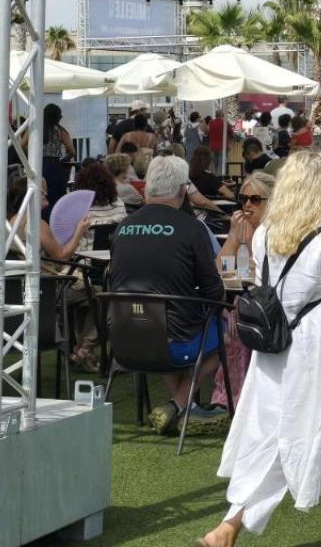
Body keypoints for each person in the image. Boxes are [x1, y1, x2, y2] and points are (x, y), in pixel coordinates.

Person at [200, 152, 321, 547]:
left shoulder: (264, 235)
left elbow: (264, 285)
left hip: (273, 351)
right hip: (317, 357)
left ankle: (230, 525)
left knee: (270, 440)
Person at [107, 154, 230, 434]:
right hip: (173, 342)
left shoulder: (123, 227)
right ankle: (178, 404)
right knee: (224, 334)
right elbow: (213, 289)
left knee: (161, 320)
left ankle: (181, 406)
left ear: (148, 187)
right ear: (181, 190)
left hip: (124, 338)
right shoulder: (192, 229)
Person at [39, 104, 77, 204]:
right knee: (57, 198)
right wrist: (61, 161)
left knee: (41, 196)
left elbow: (20, 146)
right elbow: (72, 152)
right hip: (55, 166)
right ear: (57, 117)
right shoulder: (60, 131)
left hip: (38, 165)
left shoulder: (36, 129)